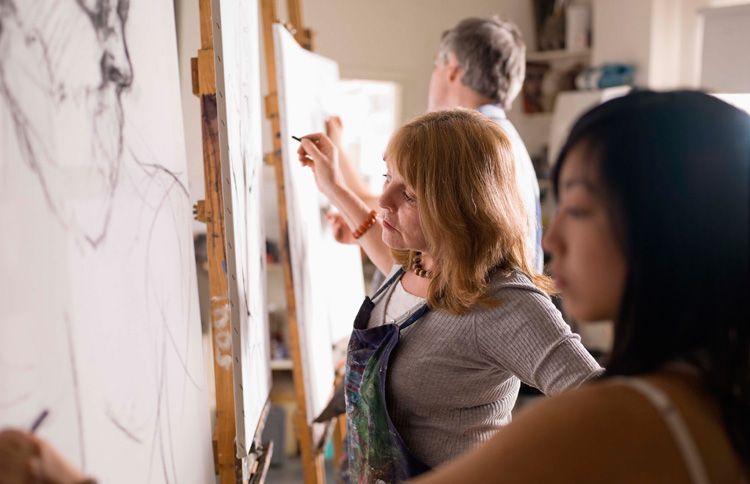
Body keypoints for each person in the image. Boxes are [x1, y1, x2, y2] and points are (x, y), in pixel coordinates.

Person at [412, 91, 749, 483]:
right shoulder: (719, 394)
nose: (551, 240)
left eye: (577, 209)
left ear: (664, 226)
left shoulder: (612, 419)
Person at [297, 108, 601, 482]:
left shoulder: (504, 302)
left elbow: (603, 408)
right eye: (387, 176)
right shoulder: (418, 261)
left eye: (408, 194)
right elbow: (378, 242)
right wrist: (333, 187)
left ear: (458, 206)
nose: (383, 200)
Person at [328, 15, 544, 271]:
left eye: (435, 66)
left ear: (452, 68)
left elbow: (382, 205)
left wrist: (336, 150)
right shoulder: (506, 142)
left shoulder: (466, 147)